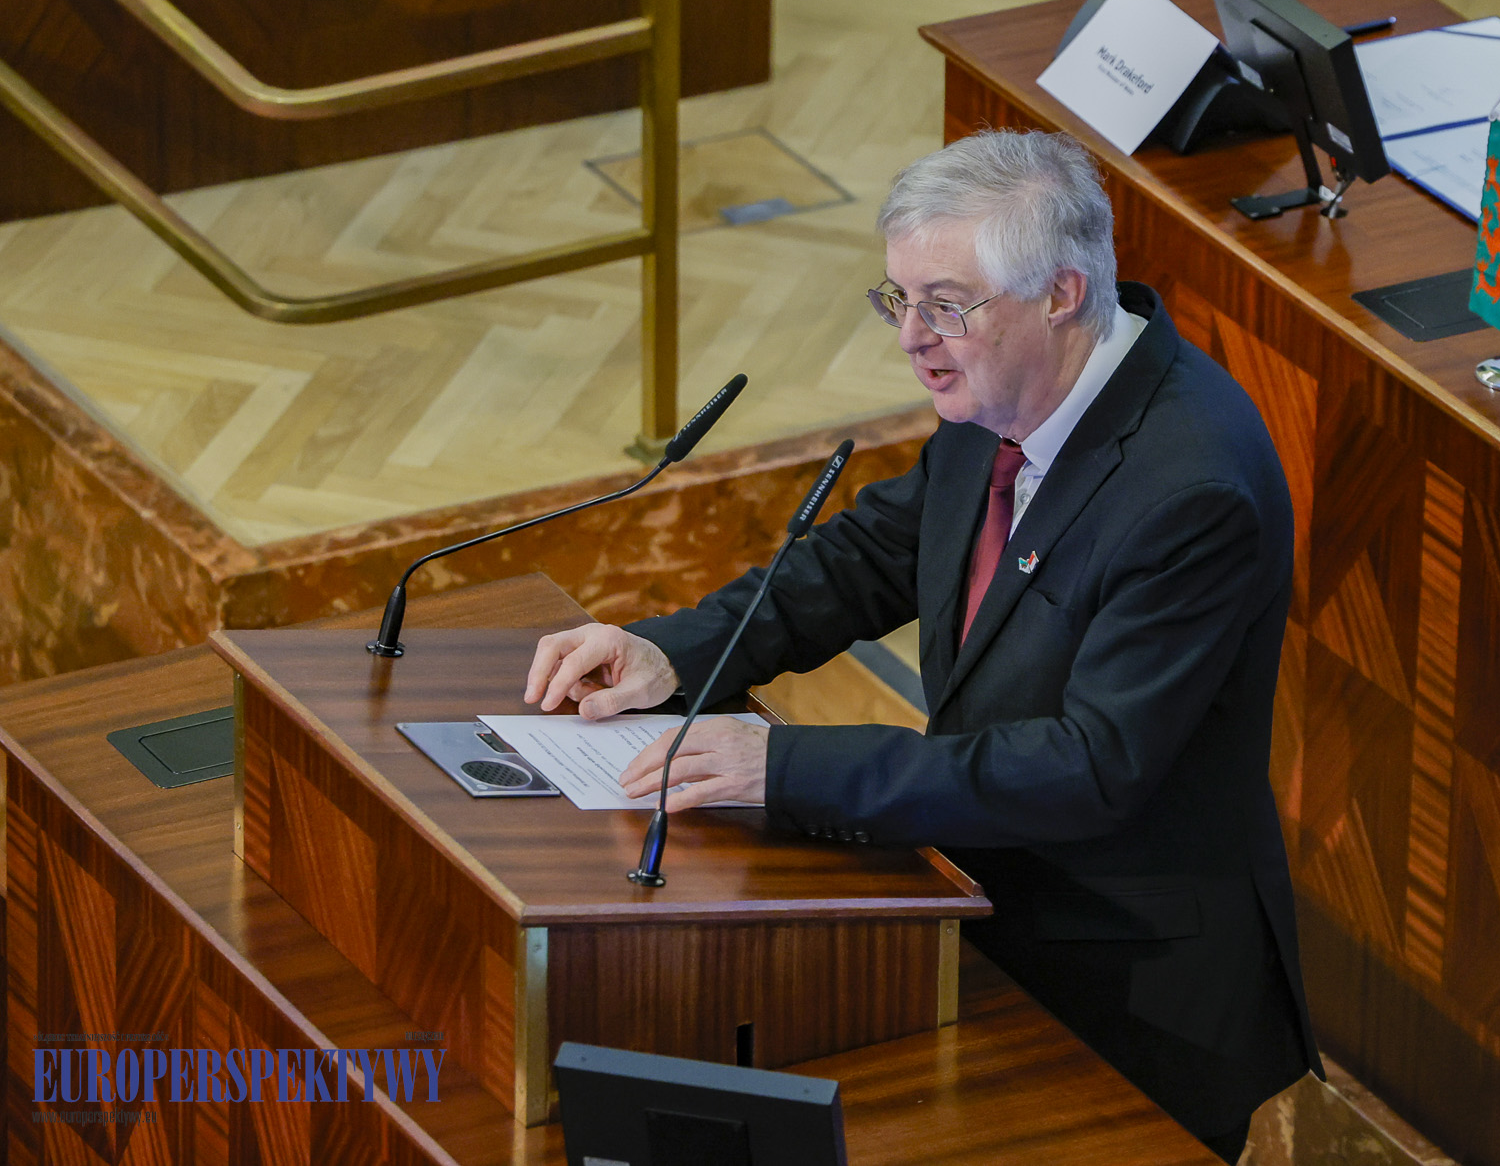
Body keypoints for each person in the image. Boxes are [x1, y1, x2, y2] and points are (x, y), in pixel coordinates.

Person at [524, 129, 1320, 1160]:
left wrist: (787, 764)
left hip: (1126, 982)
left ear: (1061, 293)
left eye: (944, 304)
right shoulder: (1005, 385)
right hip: (980, 908)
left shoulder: (1189, 489)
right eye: (897, 301)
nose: (912, 338)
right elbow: (871, 554)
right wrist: (674, 652)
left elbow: (1089, 767)